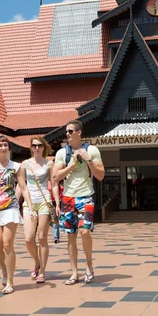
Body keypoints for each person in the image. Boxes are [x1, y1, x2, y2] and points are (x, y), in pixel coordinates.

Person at [0, 135, 35, 294]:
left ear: (8, 148)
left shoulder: (16, 167)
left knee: (7, 243)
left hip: (10, 207)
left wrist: (30, 207)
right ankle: (3, 268)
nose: (2, 148)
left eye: (5, 145)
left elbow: (23, 188)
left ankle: (10, 281)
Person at [53, 120, 104, 285]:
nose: (67, 134)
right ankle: (74, 273)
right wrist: (72, 164)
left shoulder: (92, 150)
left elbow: (101, 175)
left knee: (85, 232)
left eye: (70, 131)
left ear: (79, 132)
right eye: (66, 132)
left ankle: (89, 265)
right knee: (71, 236)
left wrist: (88, 160)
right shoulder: (62, 153)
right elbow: (55, 177)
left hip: (86, 196)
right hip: (68, 198)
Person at [17, 137, 60, 284]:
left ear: (44, 147)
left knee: (42, 237)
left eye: (39, 145)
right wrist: (21, 204)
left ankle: (43, 272)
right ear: (31, 147)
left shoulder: (49, 163)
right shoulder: (25, 164)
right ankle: (37, 262)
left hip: (44, 202)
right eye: (34, 145)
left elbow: (54, 185)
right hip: (29, 203)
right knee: (29, 239)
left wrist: (57, 204)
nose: (37, 148)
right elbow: (22, 187)